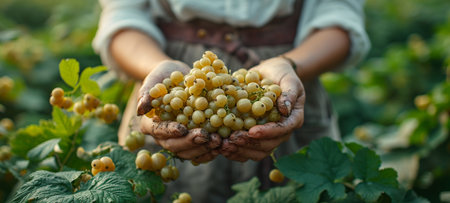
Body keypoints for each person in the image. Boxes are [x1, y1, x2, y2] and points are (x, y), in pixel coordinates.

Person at [93, 0, 370, 202]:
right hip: (168, 77)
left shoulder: (262, 93)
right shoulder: (181, 90)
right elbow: (123, 18)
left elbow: (341, 19)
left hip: (285, 79)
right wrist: (158, 67)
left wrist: (290, 65)